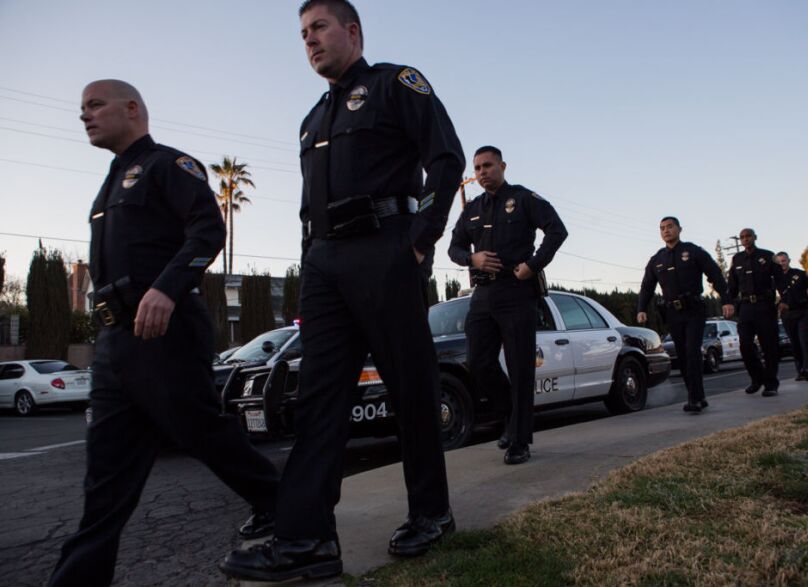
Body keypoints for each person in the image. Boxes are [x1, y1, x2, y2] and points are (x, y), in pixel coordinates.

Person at [220, 0, 464, 581]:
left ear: (352, 31)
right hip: (325, 263)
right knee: (320, 397)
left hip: (387, 248)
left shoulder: (394, 84)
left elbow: (446, 158)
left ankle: (431, 513)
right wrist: (312, 260)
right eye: (302, 34)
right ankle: (307, 541)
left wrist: (421, 236)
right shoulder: (312, 119)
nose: (309, 41)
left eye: (319, 28)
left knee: (410, 386)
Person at [49, 80, 280, 587]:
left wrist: (168, 288)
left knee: (203, 432)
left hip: (164, 331)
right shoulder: (111, 183)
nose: (84, 116)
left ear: (131, 109)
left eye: (95, 105)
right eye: (81, 108)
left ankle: (288, 507)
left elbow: (208, 230)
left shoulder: (167, 166)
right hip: (116, 343)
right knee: (105, 480)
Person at [448, 146, 567, 465]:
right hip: (483, 296)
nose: (482, 171)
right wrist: (470, 258)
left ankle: (519, 440)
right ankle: (511, 416)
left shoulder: (524, 198)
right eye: (477, 168)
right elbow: (454, 247)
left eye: (488, 165)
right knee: (479, 362)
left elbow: (557, 230)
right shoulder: (472, 208)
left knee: (520, 366)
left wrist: (533, 264)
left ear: (502, 165)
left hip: (517, 292)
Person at [637, 217, 733, 413]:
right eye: (662, 228)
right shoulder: (657, 259)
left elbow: (714, 274)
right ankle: (698, 395)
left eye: (670, 227)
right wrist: (641, 309)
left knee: (692, 352)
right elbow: (647, 286)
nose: (666, 231)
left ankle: (695, 398)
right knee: (682, 356)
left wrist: (727, 299)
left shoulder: (693, 251)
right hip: (673, 313)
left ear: (679, 229)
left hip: (694, 310)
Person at [728, 228, 784, 396]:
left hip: (764, 305)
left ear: (754, 237)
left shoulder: (767, 256)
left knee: (769, 346)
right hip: (745, 307)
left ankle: (771, 383)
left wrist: (784, 300)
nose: (745, 239)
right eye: (742, 237)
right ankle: (757, 378)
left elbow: (780, 279)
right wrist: (728, 303)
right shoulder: (737, 259)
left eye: (748, 236)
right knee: (745, 345)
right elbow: (732, 285)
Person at [775, 252, 808, 381]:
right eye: (779, 262)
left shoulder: (800, 274)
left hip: (804, 312)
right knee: (794, 344)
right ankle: (800, 370)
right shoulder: (775, 279)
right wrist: (778, 306)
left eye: (784, 261)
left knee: (804, 341)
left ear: (788, 260)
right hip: (788, 315)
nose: (782, 264)